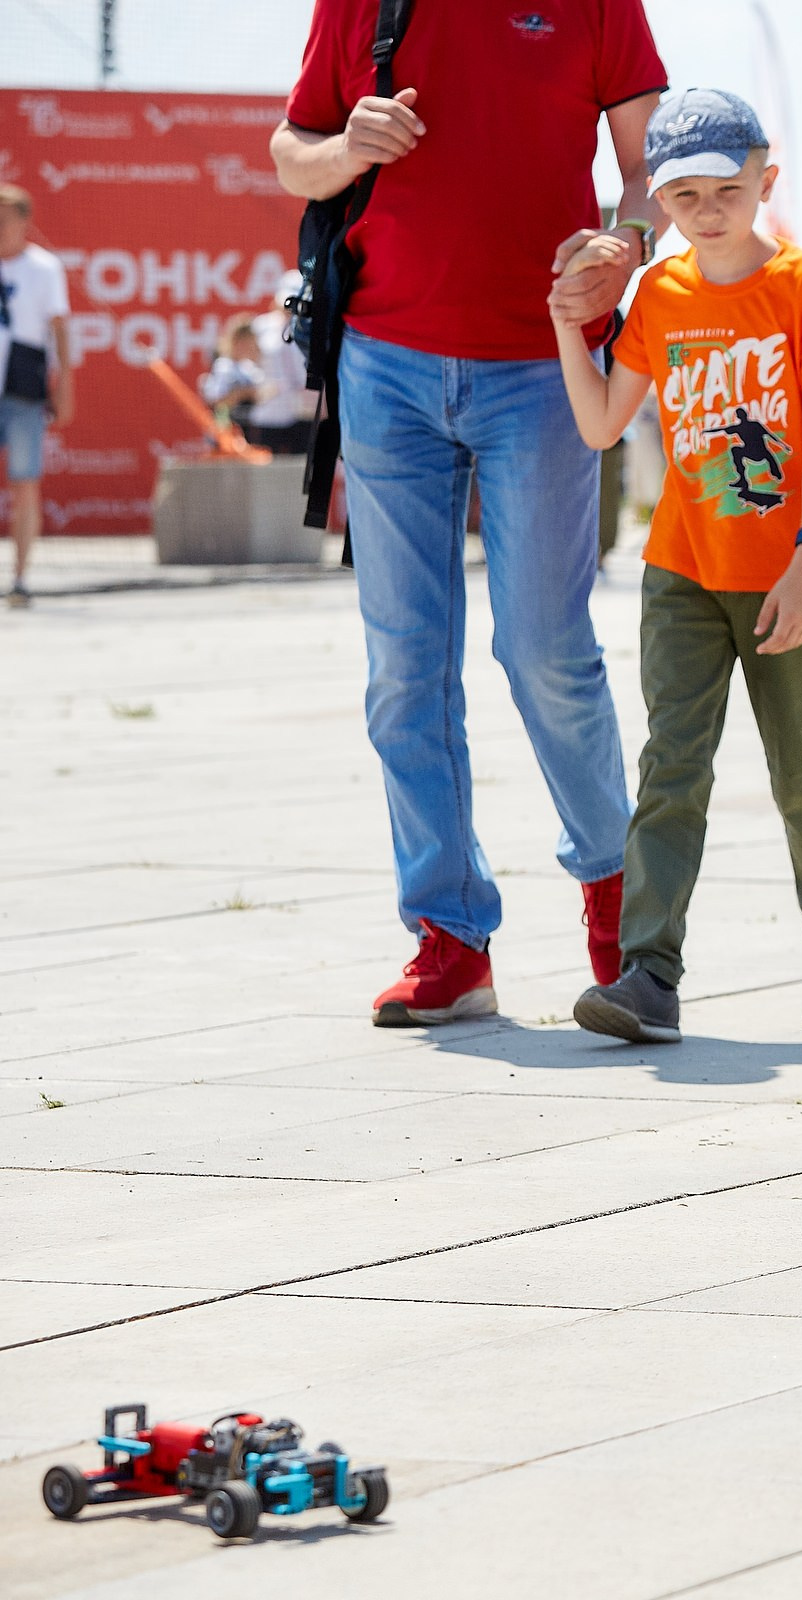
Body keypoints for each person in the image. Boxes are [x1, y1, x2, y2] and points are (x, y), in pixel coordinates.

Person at [272, 0, 668, 1026]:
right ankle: (448, 938)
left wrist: (627, 242)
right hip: (383, 363)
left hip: (545, 364)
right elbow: (292, 151)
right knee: (404, 663)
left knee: (545, 646)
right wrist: (343, 147)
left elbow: (649, 168)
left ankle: (622, 909)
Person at [555, 90, 802, 1042]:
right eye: (682, 193)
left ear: (763, 182)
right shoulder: (658, 291)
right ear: (658, 197)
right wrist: (563, 324)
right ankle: (647, 976)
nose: (704, 209)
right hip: (682, 573)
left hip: (791, 572)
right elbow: (601, 424)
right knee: (672, 768)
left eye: (724, 188)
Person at [0, 183, 74, 609]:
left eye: (6, 218)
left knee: (25, 480)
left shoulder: (43, 268)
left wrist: (65, 382)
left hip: (24, 380)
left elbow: (59, 328)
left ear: (24, 221)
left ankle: (21, 577)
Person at [246, 271, 320, 457]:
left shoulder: (315, 330)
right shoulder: (260, 327)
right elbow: (246, 363)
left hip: (306, 414)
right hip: (270, 414)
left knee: (303, 472)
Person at [201, 321, 270, 430]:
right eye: (248, 343)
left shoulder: (249, 367)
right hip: (227, 429)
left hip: (249, 428)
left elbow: (263, 393)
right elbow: (219, 403)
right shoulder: (224, 366)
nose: (252, 347)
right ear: (237, 341)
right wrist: (243, 393)